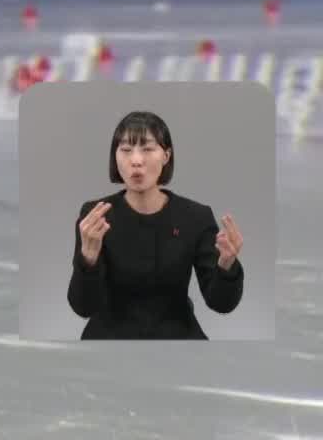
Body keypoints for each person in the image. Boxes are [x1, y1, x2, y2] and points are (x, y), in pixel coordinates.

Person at [67, 110, 244, 338]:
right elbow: (83, 307)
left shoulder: (195, 217)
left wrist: (227, 265)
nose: (136, 160)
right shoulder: (96, 216)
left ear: (166, 156)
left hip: (177, 341)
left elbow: (221, 303)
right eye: (126, 150)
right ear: (115, 157)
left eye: (148, 149)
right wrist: (87, 259)